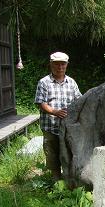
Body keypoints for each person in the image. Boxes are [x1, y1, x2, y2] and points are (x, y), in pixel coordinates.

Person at [35, 52, 82, 181]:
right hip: (50, 126)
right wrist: (54, 112)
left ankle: (70, 178)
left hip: (68, 127)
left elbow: (79, 100)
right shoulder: (44, 82)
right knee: (52, 154)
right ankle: (56, 180)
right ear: (51, 65)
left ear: (67, 65)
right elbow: (41, 103)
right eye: (56, 64)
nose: (60, 67)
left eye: (63, 64)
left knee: (69, 152)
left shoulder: (71, 82)